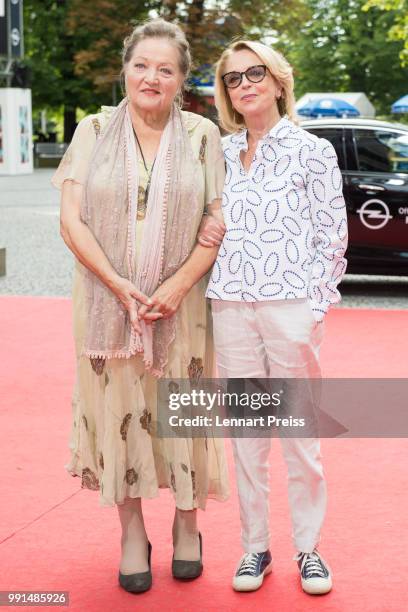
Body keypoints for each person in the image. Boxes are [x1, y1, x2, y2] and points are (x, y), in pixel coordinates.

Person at [52, 18, 229, 594]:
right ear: (124, 70)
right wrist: (117, 284)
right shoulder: (92, 129)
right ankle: (132, 532)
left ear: (181, 81)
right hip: (107, 304)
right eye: (141, 65)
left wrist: (176, 287)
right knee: (118, 408)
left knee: (183, 410)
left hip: (185, 305)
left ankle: (187, 523)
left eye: (166, 69)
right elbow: (71, 218)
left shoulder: (203, 135)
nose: (151, 77)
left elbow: (215, 221)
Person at [203, 40, 348, 594]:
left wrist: (312, 309)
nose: (245, 84)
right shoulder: (217, 151)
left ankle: (308, 549)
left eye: (255, 73)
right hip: (231, 305)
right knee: (246, 437)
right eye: (234, 78)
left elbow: (331, 236)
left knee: (298, 436)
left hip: (290, 309)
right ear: (227, 92)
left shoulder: (313, 151)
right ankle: (254, 548)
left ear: (279, 80)